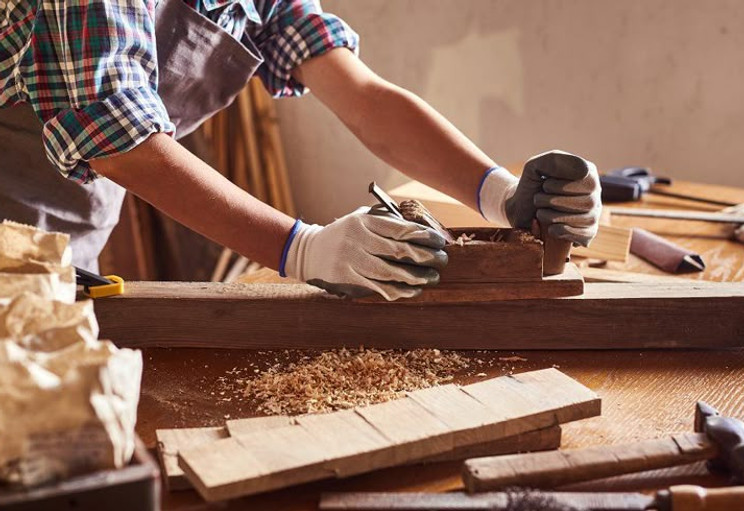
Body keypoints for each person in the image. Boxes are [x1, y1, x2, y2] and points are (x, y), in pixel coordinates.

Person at [0, 0, 601, 301]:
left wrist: (501, 193)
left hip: (64, 227)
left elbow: (361, 95)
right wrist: (303, 249)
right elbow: (119, 145)